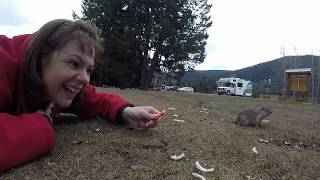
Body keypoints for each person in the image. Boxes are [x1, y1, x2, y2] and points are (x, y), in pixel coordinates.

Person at [0, 19, 162, 171]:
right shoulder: (4, 63)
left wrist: (126, 112)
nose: (85, 78)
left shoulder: (56, 86)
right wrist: (41, 125)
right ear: (41, 57)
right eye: (74, 63)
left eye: (89, 70)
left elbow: (95, 100)